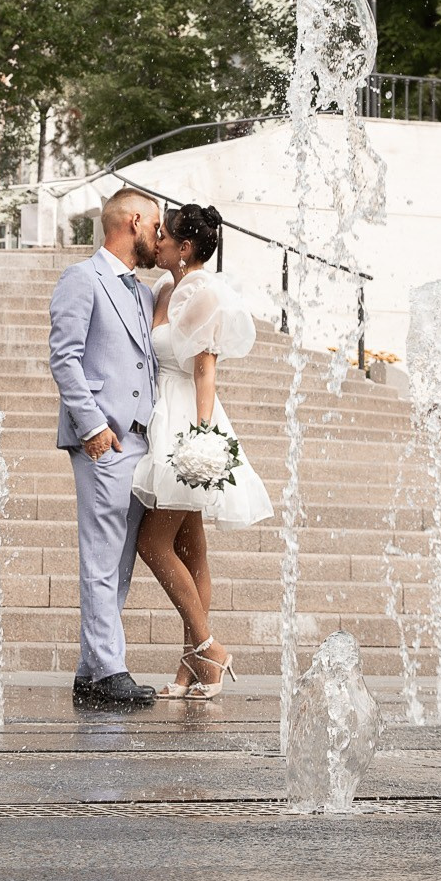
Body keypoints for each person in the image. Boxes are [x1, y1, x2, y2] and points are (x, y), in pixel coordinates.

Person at [131, 203, 272, 700]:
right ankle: (198, 673)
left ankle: (209, 647)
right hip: (160, 411)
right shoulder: (165, 288)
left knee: (153, 543)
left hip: (186, 417)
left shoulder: (206, 292)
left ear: (184, 247)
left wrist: (204, 436)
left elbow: (205, 369)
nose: (158, 240)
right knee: (191, 549)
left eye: (164, 234)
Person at [48, 187, 161, 711]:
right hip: (103, 442)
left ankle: (91, 674)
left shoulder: (141, 293)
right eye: (155, 227)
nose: (158, 237)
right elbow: (64, 357)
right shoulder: (82, 278)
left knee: (117, 565)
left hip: (141, 443)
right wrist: (92, 425)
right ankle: (111, 668)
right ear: (132, 221)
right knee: (99, 559)